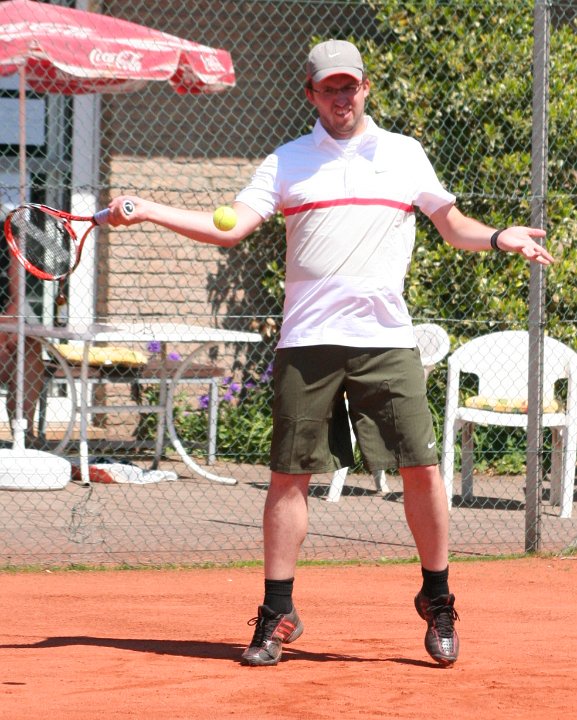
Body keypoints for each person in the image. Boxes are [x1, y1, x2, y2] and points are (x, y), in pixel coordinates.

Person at [108, 39, 553, 667]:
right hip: (307, 342)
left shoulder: (404, 154)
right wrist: (147, 209)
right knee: (289, 477)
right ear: (311, 94)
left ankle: (437, 598)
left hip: (385, 341)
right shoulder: (287, 161)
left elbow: (452, 226)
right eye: (328, 88)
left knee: (422, 468)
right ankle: (277, 612)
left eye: (350, 85)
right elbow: (229, 226)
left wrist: (501, 237)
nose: (341, 97)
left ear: (365, 87)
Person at [0, 211, 45, 448]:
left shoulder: (7, 235)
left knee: (30, 348)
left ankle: (24, 435)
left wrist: (10, 323)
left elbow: (16, 298)